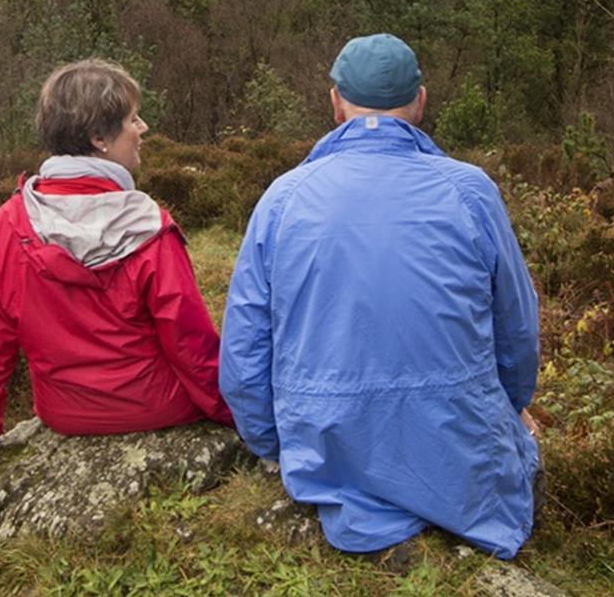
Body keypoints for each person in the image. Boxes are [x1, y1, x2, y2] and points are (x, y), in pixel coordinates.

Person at [218, 33, 540, 558]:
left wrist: (271, 444)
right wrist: (512, 404)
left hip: (326, 453)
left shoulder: (284, 197)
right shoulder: (471, 191)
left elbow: (243, 353)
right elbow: (517, 329)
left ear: (335, 102)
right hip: (460, 456)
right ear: (420, 101)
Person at [0, 58, 232, 464]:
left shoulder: (11, 221)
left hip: (62, 413)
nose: (143, 129)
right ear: (99, 137)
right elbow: (189, 340)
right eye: (133, 120)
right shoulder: (148, 225)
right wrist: (232, 415)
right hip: (156, 405)